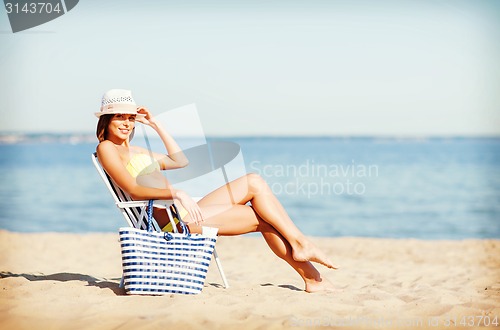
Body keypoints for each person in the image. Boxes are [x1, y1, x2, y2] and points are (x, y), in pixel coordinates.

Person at [95, 89, 336, 293]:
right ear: (106, 120)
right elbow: (133, 189)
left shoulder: (137, 151)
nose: (127, 123)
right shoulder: (107, 148)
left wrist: (156, 124)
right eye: (119, 117)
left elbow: (180, 161)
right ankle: (312, 275)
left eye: (130, 117)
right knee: (266, 218)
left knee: (254, 181)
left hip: (185, 212)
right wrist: (176, 193)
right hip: (173, 222)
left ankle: (303, 248)